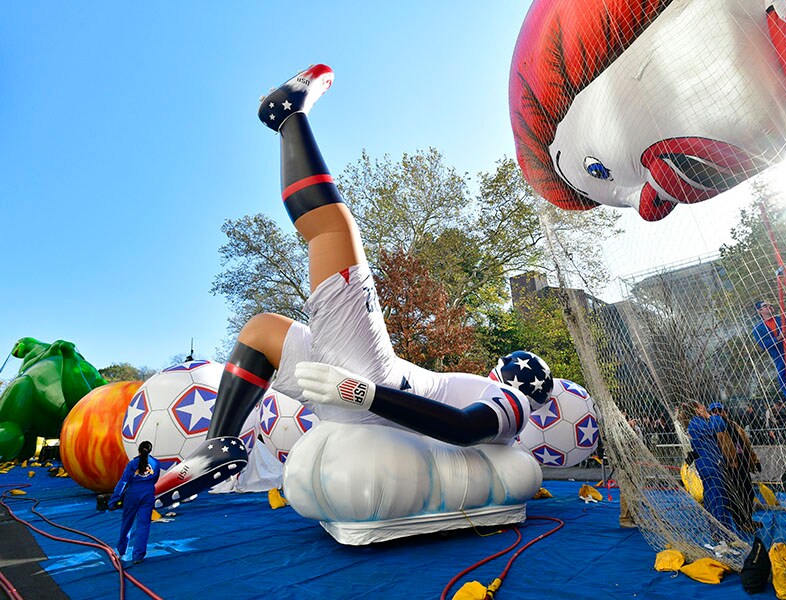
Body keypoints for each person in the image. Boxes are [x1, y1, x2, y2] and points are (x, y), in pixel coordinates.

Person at [154, 64, 553, 506]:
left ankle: (288, 115)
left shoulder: (509, 404)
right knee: (261, 332)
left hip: (373, 387)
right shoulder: (496, 399)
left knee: (332, 230)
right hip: (363, 391)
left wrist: (365, 394)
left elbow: (464, 428)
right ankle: (221, 444)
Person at [677, 401, 732, 528]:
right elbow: (720, 425)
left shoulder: (696, 423)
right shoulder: (696, 423)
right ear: (697, 410)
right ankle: (720, 530)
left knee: (716, 497)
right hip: (709, 465)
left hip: (709, 464)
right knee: (716, 498)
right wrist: (707, 415)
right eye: (701, 406)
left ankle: (720, 528)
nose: (704, 407)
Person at [710, 401, 761, 534]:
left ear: (725, 411)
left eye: (719, 410)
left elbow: (747, 444)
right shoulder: (714, 428)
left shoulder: (735, 426)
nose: (718, 413)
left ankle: (748, 519)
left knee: (749, 493)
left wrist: (755, 461)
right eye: (714, 411)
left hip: (743, 463)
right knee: (735, 496)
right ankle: (741, 523)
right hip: (730, 466)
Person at [109, 441, 160, 564]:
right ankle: (138, 556)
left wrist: (114, 500)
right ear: (150, 450)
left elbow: (123, 482)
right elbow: (155, 479)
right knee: (144, 525)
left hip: (132, 494)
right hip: (148, 494)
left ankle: (121, 550)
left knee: (127, 522)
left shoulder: (132, 464)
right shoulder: (156, 463)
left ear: (139, 450)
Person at [752, 300, 786, 403]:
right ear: (759, 311)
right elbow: (764, 344)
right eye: (765, 306)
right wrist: (778, 338)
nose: (769, 306)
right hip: (780, 357)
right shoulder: (758, 328)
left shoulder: (784, 319)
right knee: (785, 382)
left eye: (770, 304)